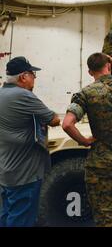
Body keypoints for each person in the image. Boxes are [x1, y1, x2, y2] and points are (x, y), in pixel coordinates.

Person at [62, 53, 112, 227]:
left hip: (101, 162)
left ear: (90, 72)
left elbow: (67, 124)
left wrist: (83, 141)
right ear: (109, 66)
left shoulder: (85, 94)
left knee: (104, 212)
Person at [0, 56, 60, 227]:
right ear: (23, 77)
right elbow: (54, 119)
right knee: (22, 219)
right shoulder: (23, 96)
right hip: (24, 173)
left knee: (7, 214)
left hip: (6, 170)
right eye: (33, 74)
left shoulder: (2, 93)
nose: (34, 78)